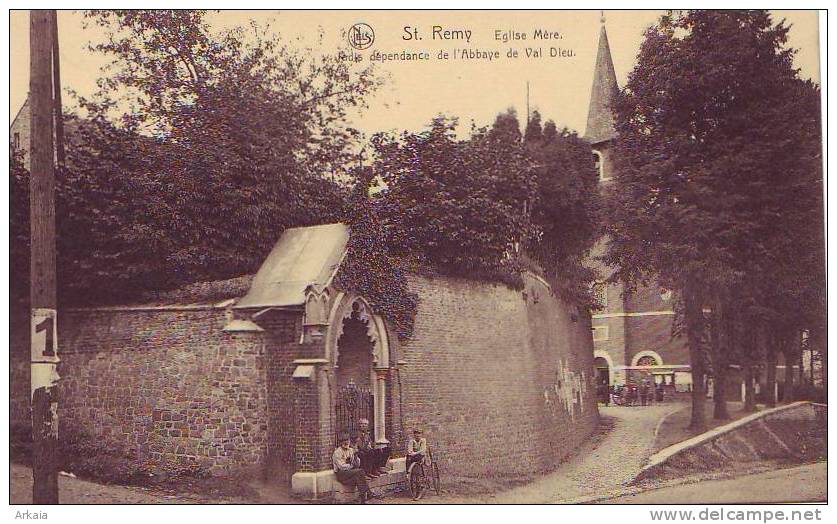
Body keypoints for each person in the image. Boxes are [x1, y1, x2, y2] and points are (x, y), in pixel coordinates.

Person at [333, 435, 376, 503]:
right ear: (340, 443)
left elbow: (357, 465)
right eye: (344, 441)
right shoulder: (337, 452)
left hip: (351, 473)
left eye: (347, 441)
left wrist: (356, 457)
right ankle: (368, 492)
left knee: (358, 477)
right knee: (360, 471)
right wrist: (352, 466)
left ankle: (363, 499)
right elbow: (341, 466)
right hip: (341, 474)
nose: (346, 442)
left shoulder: (351, 450)